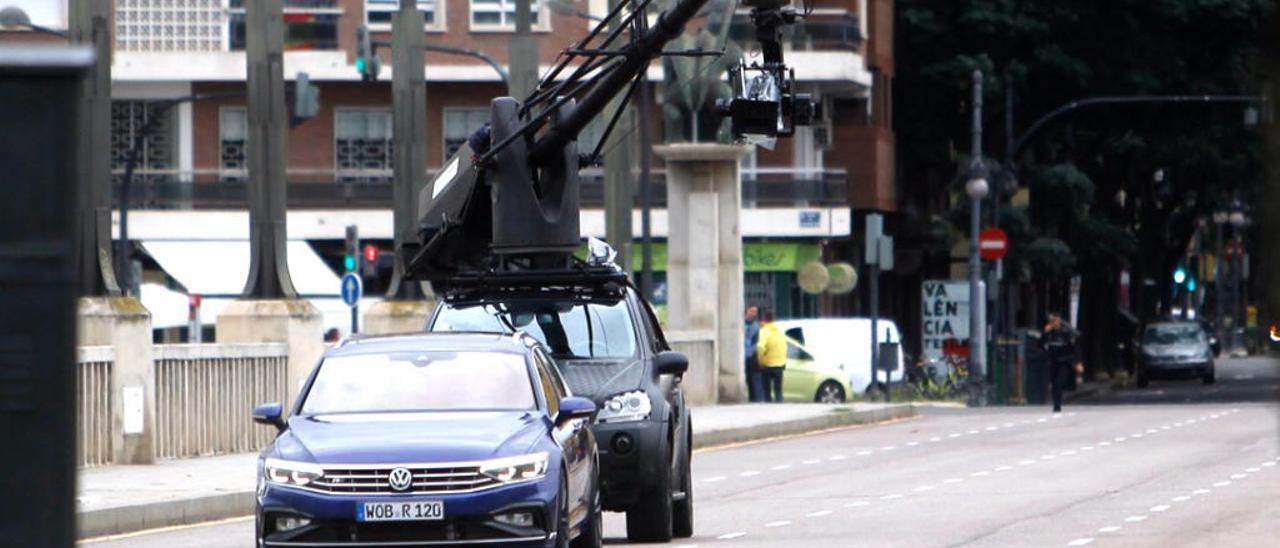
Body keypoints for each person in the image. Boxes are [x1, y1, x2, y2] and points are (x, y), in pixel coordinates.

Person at [1042, 313, 1083, 413]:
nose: (1054, 323)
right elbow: (1040, 344)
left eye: (1056, 320)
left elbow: (1075, 341)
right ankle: (1056, 404)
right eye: (1053, 321)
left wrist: (1077, 362)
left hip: (1063, 361)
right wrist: (1045, 333)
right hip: (1052, 361)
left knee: (1060, 383)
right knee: (1054, 384)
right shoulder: (1049, 332)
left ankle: (1058, 403)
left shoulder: (1065, 332)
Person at [755, 309, 787, 403]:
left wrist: (760, 360)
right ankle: (779, 406)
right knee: (778, 389)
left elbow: (760, 347)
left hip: (767, 364)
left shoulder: (764, 331)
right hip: (779, 364)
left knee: (767, 390)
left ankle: (769, 407)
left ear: (764, 319)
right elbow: (784, 347)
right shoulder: (780, 331)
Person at [744, 304, 762, 402]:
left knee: (752, 381)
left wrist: (750, 352)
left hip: (750, 357)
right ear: (746, 311)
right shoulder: (741, 324)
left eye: (755, 312)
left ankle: (753, 399)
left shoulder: (756, 326)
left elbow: (756, 342)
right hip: (741, 356)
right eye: (752, 311)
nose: (753, 314)